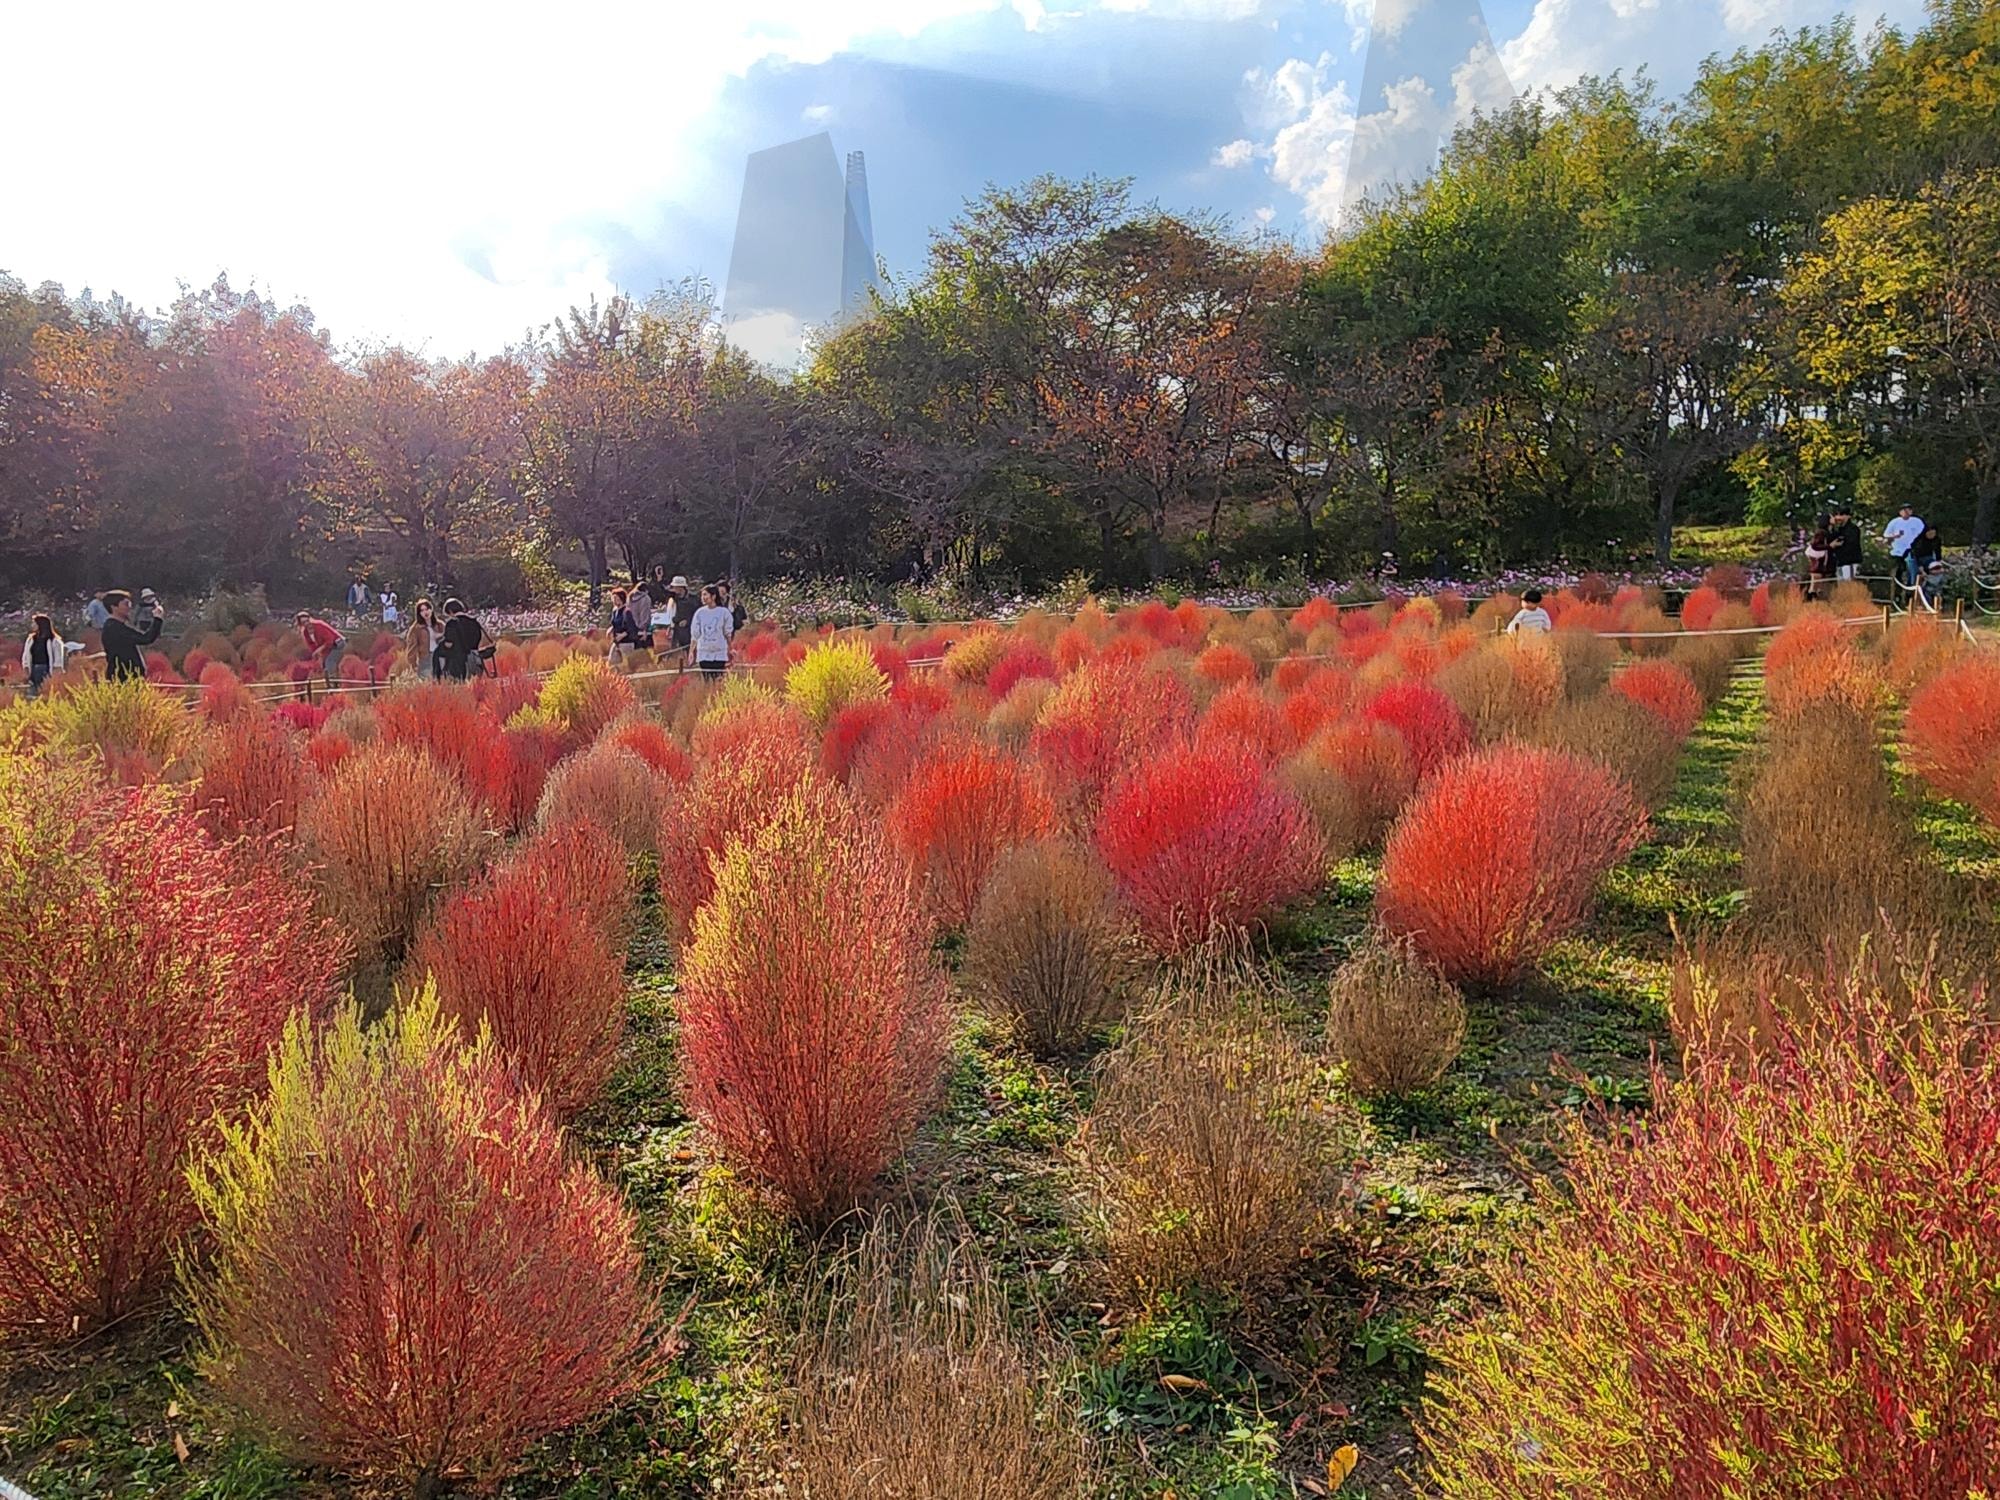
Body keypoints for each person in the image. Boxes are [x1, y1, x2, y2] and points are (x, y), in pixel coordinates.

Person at [100, 589, 163, 681]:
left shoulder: (118, 627)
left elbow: (146, 638)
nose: (129, 607)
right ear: (114, 607)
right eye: (126, 604)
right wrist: (157, 619)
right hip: (123, 679)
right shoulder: (114, 628)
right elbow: (146, 639)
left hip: (129, 678)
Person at [21, 614, 79, 697]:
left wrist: (57, 671)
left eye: (34, 623)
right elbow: (26, 654)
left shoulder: (54, 641)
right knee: (33, 692)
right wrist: (25, 666)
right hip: (33, 669)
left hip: (47, 669)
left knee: (46, 691)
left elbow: (58, 658)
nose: (32, 625)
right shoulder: (31, 639)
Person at [686, 584, 735, 678]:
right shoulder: (699, 613)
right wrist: (691, 651)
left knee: (718, 677)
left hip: (719, 652)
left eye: (705, 595)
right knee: (707, 678)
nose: (703, 598)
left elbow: (727, 633)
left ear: (713, 596)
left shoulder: (724, 612)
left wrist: (730, 648)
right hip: (704, 652)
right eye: (702, 595)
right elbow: (695, 634)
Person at [436, 597, 487, 681]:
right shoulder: (474, 622)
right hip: (475, 660)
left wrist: (440, 645)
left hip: (458, 664)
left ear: (450, 611)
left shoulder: (452, 623)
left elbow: (449, 644)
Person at [294, 611, 348, 688]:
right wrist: (318, 654)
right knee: (323, 665)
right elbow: (312, 646)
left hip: (338, 643)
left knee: (330, 661)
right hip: (327, 647)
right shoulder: (306, 633)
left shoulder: (319, 626)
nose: (307, 623)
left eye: (307, 620)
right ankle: (329, 683)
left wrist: (319, 650)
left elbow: (330, 641)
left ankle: (334, 684)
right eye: (303, 622)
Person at [1883, 504, 1926, 588]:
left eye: (1908, 510)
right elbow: (1886, 535)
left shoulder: (1917, 521)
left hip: (1912, 550)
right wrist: (1895, 536)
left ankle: (1911, 586)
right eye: (1904, 510)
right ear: (1900, 512)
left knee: (1912, 569)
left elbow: (1922, 534)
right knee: (1899, 571)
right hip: (1897, 551)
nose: (1906, 512)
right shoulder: (1894, 522)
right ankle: (1898, 588)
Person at [1911, 523, 1945, 610]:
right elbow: (1916, 554)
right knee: (1915, 577)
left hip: (1930, 560)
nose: (1932, 535)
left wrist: (1939, 564)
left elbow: (1938, 553)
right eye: (1930, 533)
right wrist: (1921, 569)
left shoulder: (1937, 540)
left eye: (1933, 533)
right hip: (1917, 559)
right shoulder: (1919, 541)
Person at [406, 597, 439, 679]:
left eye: (427, 609)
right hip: (425, 659)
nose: (425, 612)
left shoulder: (439, 625)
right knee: (426, 683)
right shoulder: (416, 628)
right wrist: (413, 665)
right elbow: (412, 648)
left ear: (431, 609)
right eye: (422, 610)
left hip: (440, 657)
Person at [1827, 508, 1863, 583]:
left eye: (1841, 515)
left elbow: (1851, 545)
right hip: (1840, 563)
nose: (1838, 517)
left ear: (1848, 516)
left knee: (1849, 585)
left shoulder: (1853, 529)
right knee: (1842, 587)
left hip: (1850, 563)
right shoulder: (1839, 530)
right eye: (1836, 515)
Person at [663, 575, 695, 658]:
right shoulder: (673, 599)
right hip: (676, 632)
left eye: (675, 587)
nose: (674, 589)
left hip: (689, 632)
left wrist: (688, 621)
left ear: (681, 587)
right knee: (675, 654)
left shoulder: (693, 600)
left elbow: (697, 615)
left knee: (689, 654)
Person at [609, 587, 641, 663]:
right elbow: (615, 623)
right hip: (617, 642)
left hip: (626, 642)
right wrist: (611, 629)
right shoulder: (615, 611)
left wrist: (622, 635)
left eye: (616, 598)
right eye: (613, 598)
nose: (614, 601)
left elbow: (632, 627)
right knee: (611, 662)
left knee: (627, 664)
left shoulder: (626, 612)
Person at [1805, 525, 1832, 598]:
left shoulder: (1813, 547)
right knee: (1815, 586)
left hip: (1816, 568)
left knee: (1815, 586)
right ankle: (1812, 598)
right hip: (1818, 568)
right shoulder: (1818, 548)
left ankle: (1812, 597)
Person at [628, 577, 655, 650]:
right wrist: (645, 629)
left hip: (631, 628)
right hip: (642, 630)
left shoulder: (630, 597)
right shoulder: (645, 598)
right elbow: (644, 614)